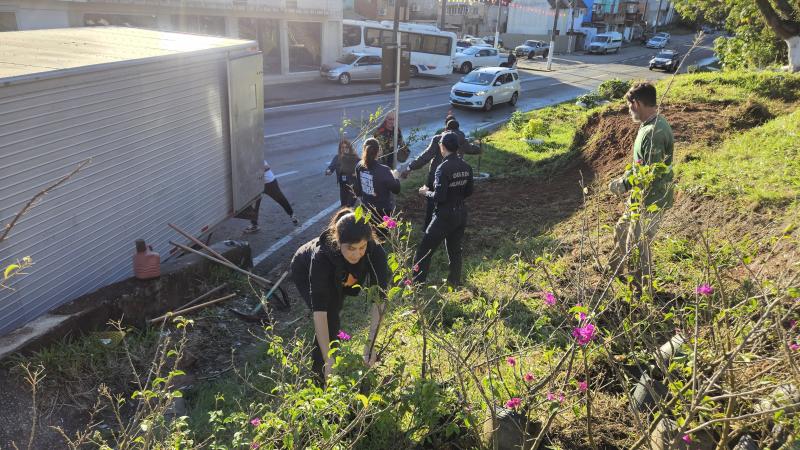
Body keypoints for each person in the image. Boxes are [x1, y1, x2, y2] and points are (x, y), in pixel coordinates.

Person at [289, 208, 388, 383]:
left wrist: (370, 345)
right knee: (331, 318)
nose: (357, 253)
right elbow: (320, 312)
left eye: (362, 247)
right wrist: (328, 360)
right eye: (351, 248)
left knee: (336, 306)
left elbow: (379, 299)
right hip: (303, 269)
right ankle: (319, 380)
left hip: (342, 272)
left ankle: (331, 357)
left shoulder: (376, 251)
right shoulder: (321, 257)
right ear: (338, 241)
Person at [607, 82, 674, 286]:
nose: (629, 111)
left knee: (637, 247)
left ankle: (641, 291)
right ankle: (613, 272)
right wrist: (626, 177)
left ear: (636, 103)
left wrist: (624, 184)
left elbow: (650, 173)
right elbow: (640, 165)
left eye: (629, 106)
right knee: (621, 230)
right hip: (639, 198)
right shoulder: (647, 126)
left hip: (650, 201)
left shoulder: (654, 133)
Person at [413, 132, 474, 287]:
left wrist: (425, 192)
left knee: (424, 251)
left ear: (442, 146)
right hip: (460, 213)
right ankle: (454, 282)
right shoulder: (466, 166)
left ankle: (416, 285)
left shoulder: (442, 168)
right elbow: (469, 192)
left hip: (444, 215)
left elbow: (440, 197)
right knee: (455, 250)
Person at [402, 116, 481, 228]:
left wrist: (409, 168)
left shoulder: (439, 139)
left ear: (445, 128)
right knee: (449, 199)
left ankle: (428, 227)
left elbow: (426, 156)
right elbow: (470, 149)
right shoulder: (462, 138)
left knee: (432, 201)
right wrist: (479, 148)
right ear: (458, 128)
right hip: (454, 175)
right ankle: (445, 225)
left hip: (436, 175)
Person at [354, 138, 401, 226]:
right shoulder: (384, 170)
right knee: (383, 235)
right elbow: (396, 190)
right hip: (383, 211)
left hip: (366, 207)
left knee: (370, 234)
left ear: (364, 150)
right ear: (379, 151)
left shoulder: (359, 166)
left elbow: (359, 188)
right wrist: (396, 177)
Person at [244, 160, 298, 233]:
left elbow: (267, 167)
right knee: (254, 205)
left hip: (269, 183)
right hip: (258, 183)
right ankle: (254, 225)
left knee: (281, 199)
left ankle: (292, 215)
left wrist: (254, 170)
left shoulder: (255, 155)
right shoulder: (249, 155)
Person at [326, 139, 360, 207]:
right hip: (343, 186)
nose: (344, 149)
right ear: (340, 149)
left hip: (353, 186)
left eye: (346, 147)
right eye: (342, 147)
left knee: (349, 206)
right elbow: (331, 167)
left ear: (349, 148)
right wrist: (328, 171)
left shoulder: (354, 157)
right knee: (343, 206)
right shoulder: (337, 157)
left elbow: (362, 165)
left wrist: (356, 173)